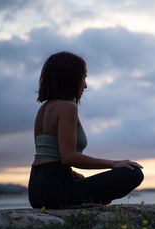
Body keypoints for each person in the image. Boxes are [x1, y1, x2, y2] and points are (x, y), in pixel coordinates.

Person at [28, 51, 144, 209]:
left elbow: (47, 157)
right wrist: (114, 163)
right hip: (55, 192)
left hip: (35, 190)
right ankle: (91, 201)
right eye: (84, 78)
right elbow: (68, 157)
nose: (85, 85)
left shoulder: (43, 108)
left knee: (81, 180)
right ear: (71, 78)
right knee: (133, 173)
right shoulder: (68, 107)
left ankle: (88, 197)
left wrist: (74, 176)